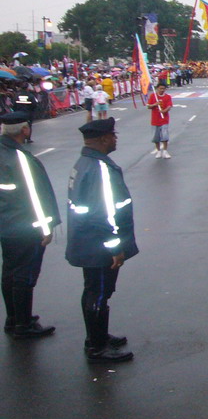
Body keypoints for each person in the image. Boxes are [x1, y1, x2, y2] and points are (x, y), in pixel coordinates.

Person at [66, 117, 136, 363]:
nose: (116, 138)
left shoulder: (85, 162)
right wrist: (115, 247)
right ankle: (97, 347)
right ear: (104, 139)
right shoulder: (99, 169)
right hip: (99, 245)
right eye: (113, 135)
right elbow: (103, 212)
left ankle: (99, 336)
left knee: (97, 292)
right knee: (98, 293)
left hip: (88, 242)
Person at [0, 112, 61, 339]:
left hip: (6, 224)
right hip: (25, 227)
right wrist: (46, 227)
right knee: (24, 276)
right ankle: (23, 324)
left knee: (9, 272)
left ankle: (14, 318)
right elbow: (35, 196)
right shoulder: (20, 158)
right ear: (25, 130)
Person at [146, 82, 173, 159]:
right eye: (160, 88)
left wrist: (164, 111)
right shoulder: (153, 96)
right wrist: (155, 104)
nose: (162, 90)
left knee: (165, 136)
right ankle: (158, 151)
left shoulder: (167, 97)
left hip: (164, 120)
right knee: (156, 137)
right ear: (157, 88)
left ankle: (165, 151)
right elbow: (148, 106)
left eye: (163, 89)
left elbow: (169, 106)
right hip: (155, 120)